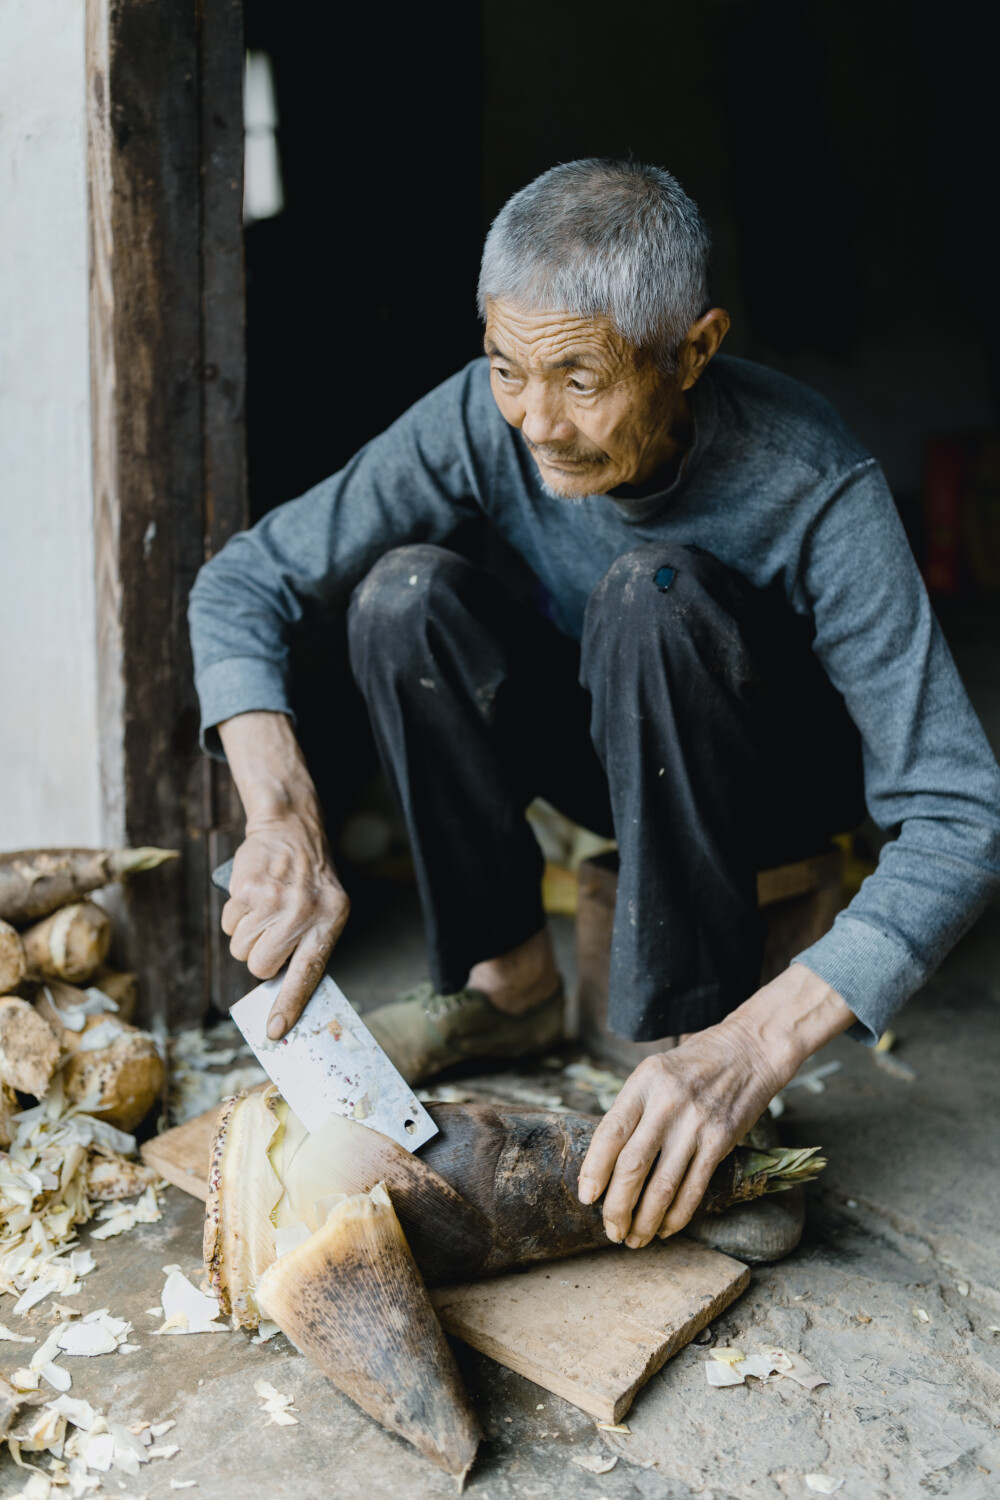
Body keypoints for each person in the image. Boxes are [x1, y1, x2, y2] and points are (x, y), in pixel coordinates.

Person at [189, 160, 1000, 1255]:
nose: (537, 421)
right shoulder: (485, 421)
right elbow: (244, 582)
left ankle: (700, 1067)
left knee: (649, 593)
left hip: (768, 784)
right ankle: (507, 981)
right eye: (506, 370)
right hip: (608, 740)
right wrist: (282, 811)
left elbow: (960, 813)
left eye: (581, 379)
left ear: (694, 350)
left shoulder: (811, 480)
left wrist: (752, 1049)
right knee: (405, 595)